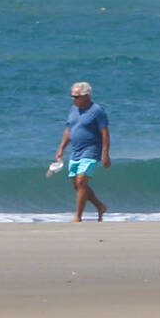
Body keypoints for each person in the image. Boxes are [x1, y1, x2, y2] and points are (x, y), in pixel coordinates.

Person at [54, 81, 110, 222]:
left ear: (87, 96)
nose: (73, 99)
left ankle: (78, 217)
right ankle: (100, 206)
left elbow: (105, 133)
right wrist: (61, 148)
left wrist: (105, 153)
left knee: (81, 181)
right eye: (72, 96)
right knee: (77, 185)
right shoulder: (73, 109)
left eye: (76, 96)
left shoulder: (97, 111)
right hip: (76, 151)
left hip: (91, 150)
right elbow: (69, 130)